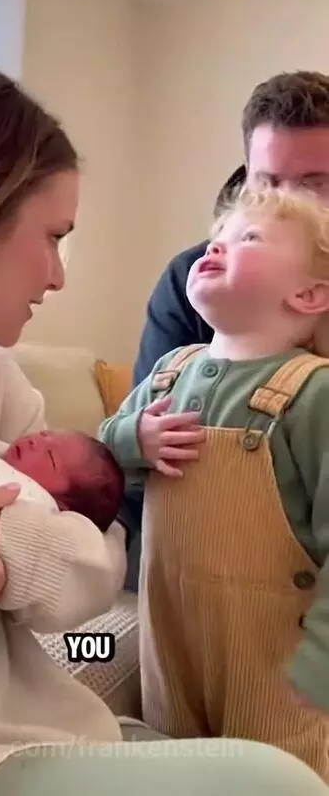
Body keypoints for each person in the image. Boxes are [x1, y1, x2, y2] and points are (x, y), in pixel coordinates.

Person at [0, 55, 324, 796]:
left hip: (31, 717)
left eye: (314, 186)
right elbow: (115, 463)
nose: (59, 276)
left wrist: (12, 545)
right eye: (53, 236)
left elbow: (89, 539)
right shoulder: (187, 297)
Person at [100, 185, 329, 780]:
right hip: (169, 630)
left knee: (277, 775)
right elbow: (99, 459)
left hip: (278, 655)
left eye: (248, 238)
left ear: (308, 294)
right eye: (219, 236)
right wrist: (133, 441)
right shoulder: (166, 373)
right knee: (176, 765)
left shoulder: (315, 392)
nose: (217, 246)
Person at [122, 71, 329, 586]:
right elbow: (147, 432)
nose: (291, 202)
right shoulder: (195, 278)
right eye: (268, 183)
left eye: (315, 183)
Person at [4, 428, 124, 531]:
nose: (34, 440)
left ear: (60, 505)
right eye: (44, 433)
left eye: (50, 455)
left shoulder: (20, 515)